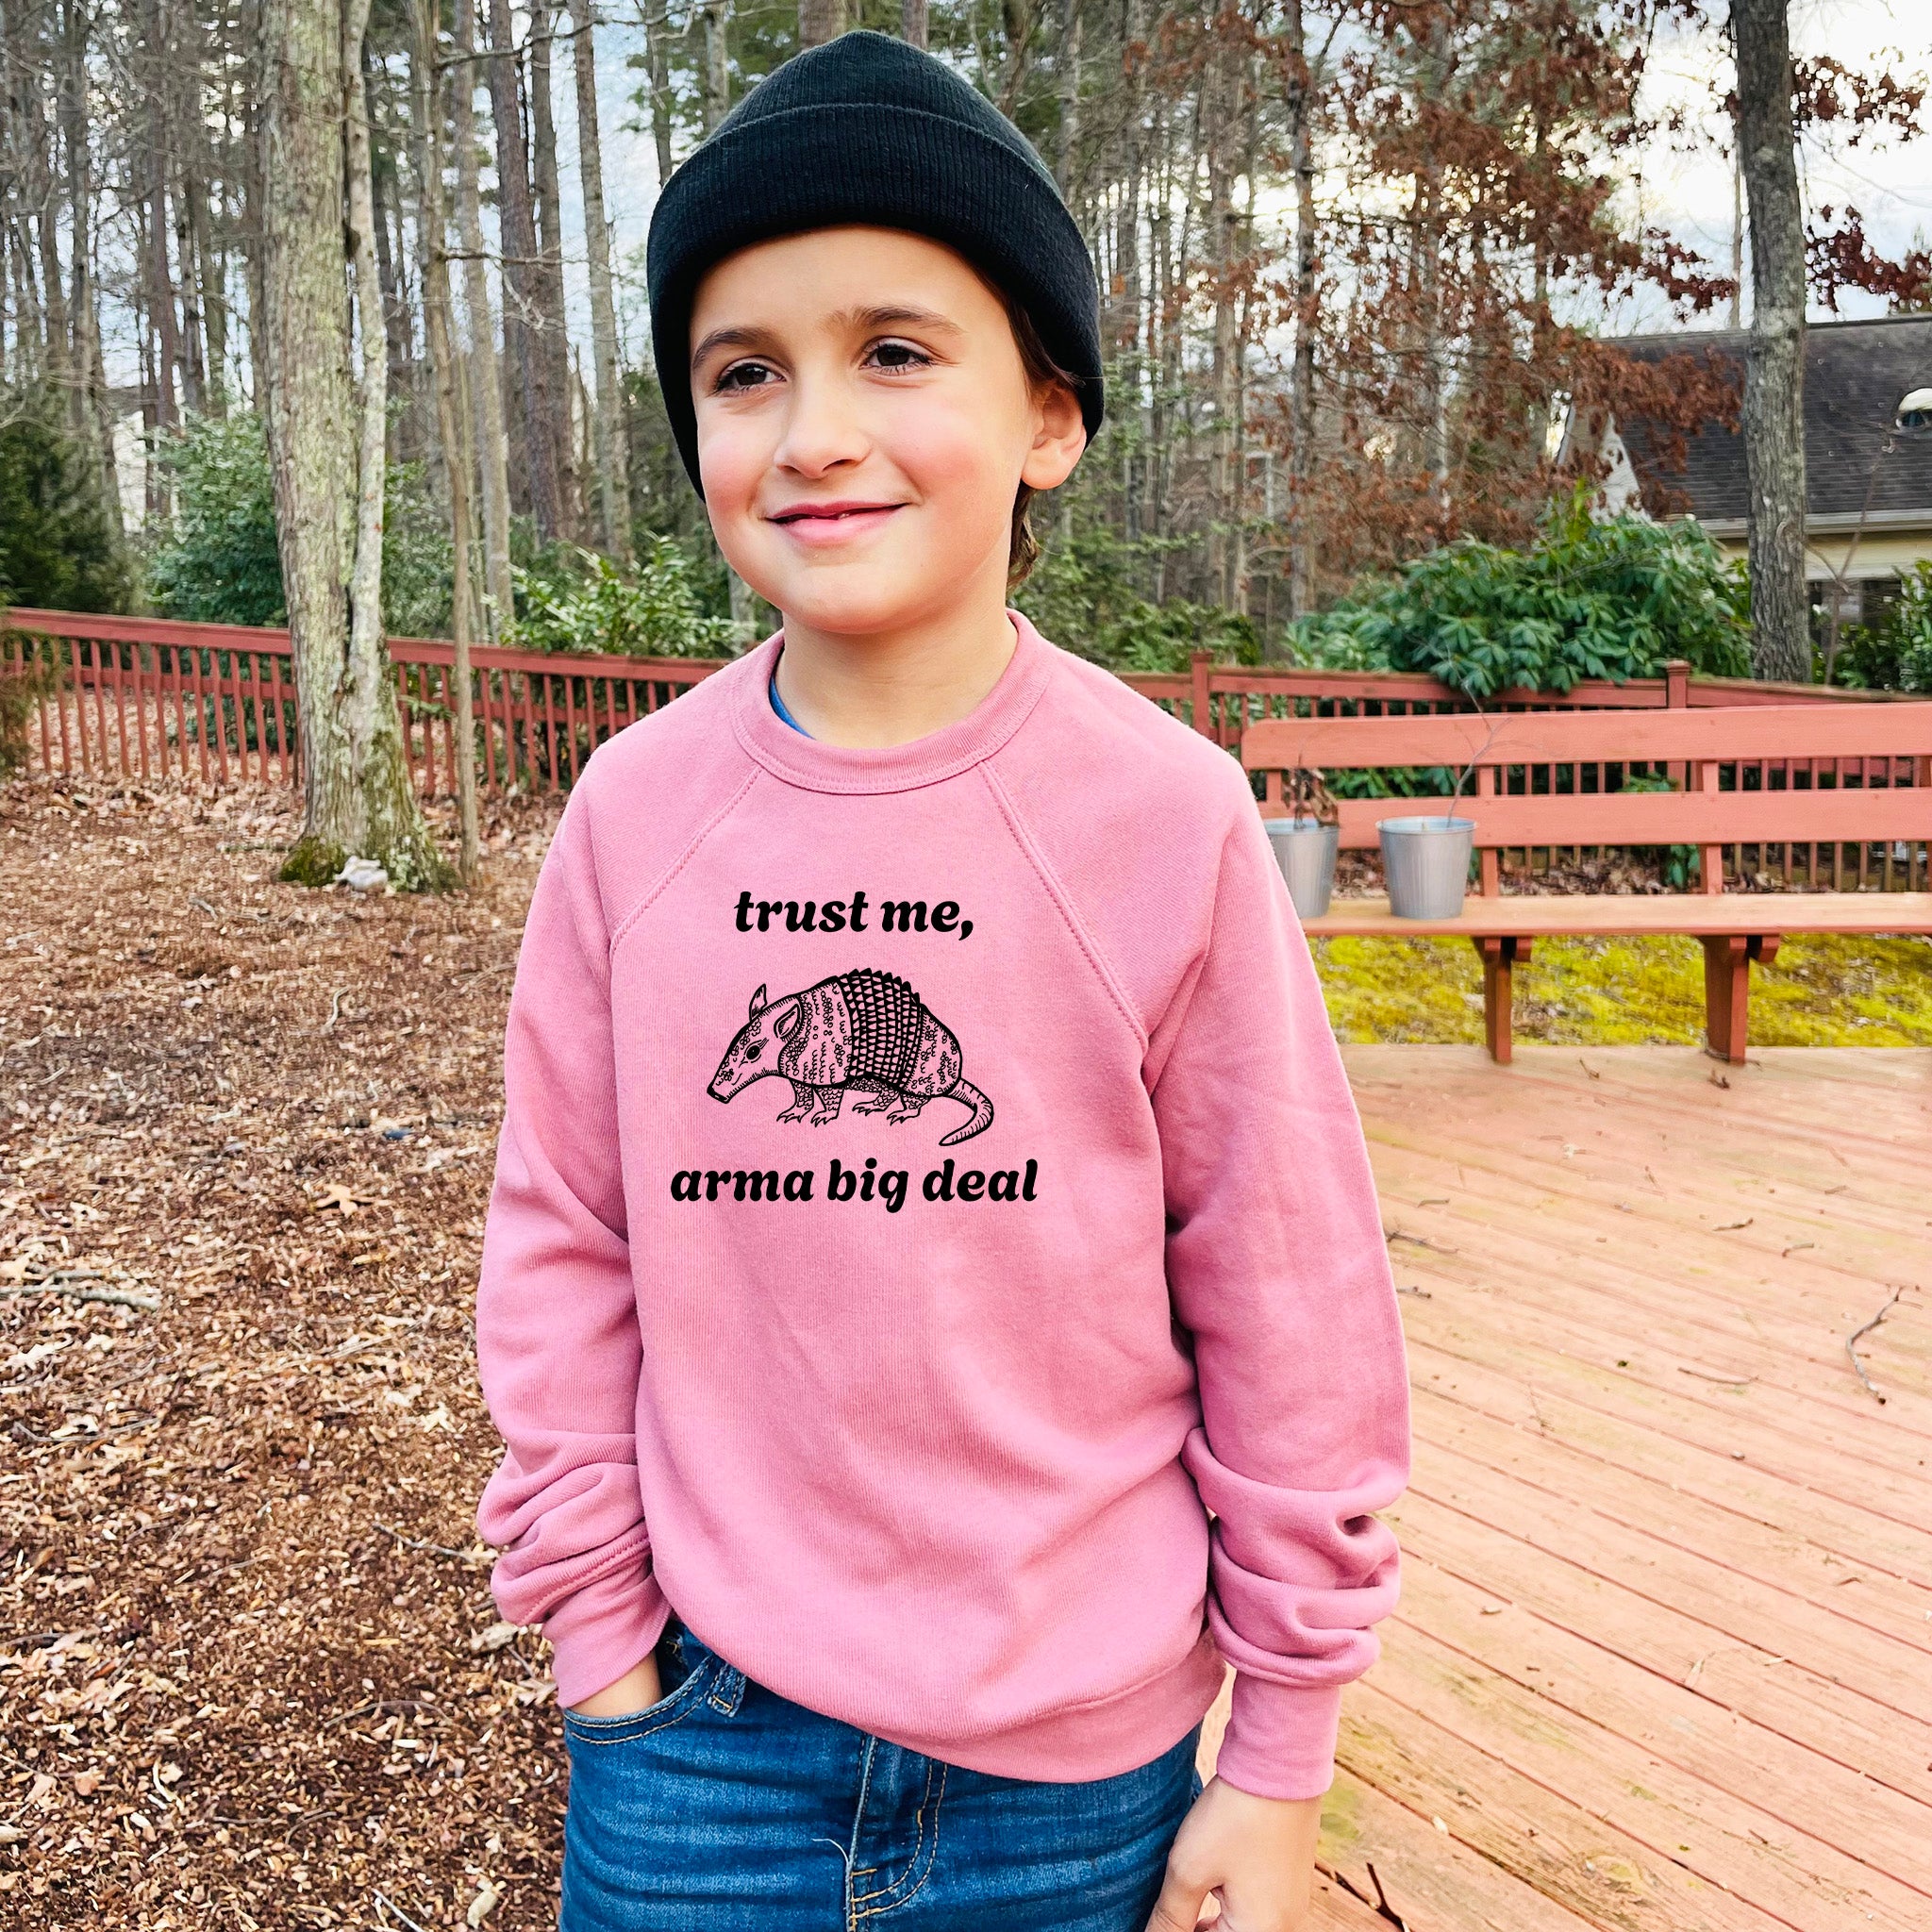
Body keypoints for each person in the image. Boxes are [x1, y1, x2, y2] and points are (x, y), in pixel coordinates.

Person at [472, 30, 1410, 1932]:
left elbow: (1287, 1286)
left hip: (1078, 1770)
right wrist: (601, 1643)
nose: (814, 430)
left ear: (1050, 416)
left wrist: (1280, 1751)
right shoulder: (635, 817)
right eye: (745, 371)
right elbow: (561, 1240)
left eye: (894, 352)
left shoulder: (1162, 817)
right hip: (700, 1743)